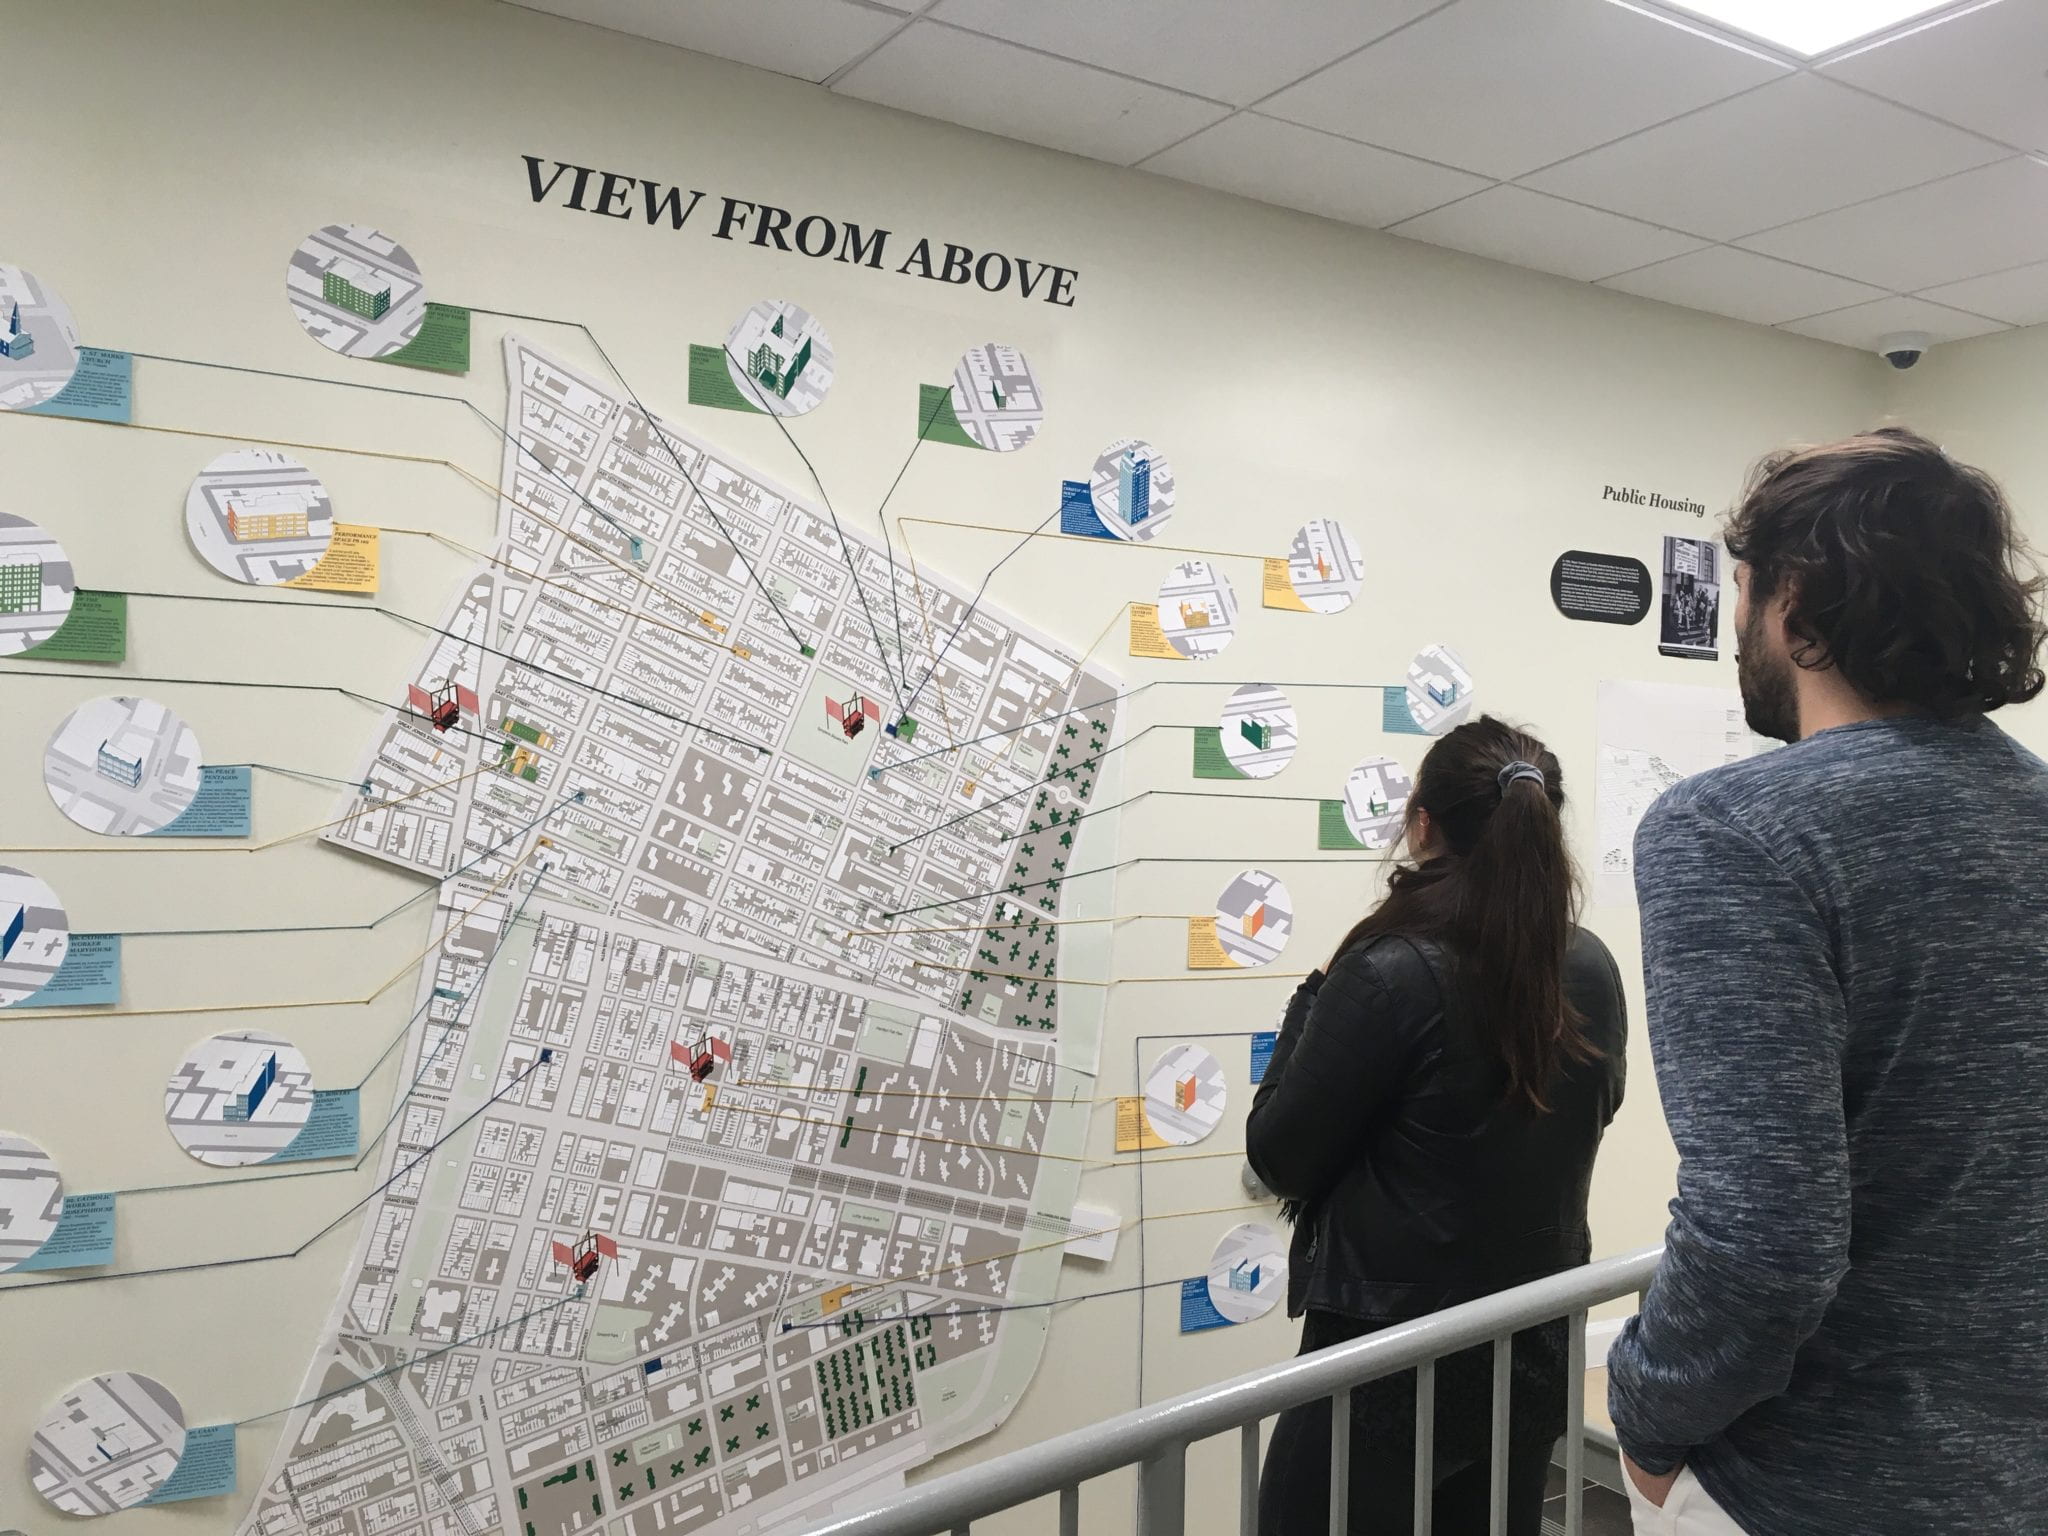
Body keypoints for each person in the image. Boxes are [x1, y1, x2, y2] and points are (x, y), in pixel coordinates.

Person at [1608, 427, 2048, 1534]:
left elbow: (1763, 1242)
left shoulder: (1734, 831)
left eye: (1742, 591)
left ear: (1791, 597)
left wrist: (1645, 1410)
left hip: (1815, 1488)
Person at [1249, 716, 1627, 1535]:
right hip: (1525, 1356)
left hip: (1385, 1367)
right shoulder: (1591, 963)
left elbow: (1278, 1155)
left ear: (1422, 824)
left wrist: (1310, 998)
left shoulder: (1388, 970)